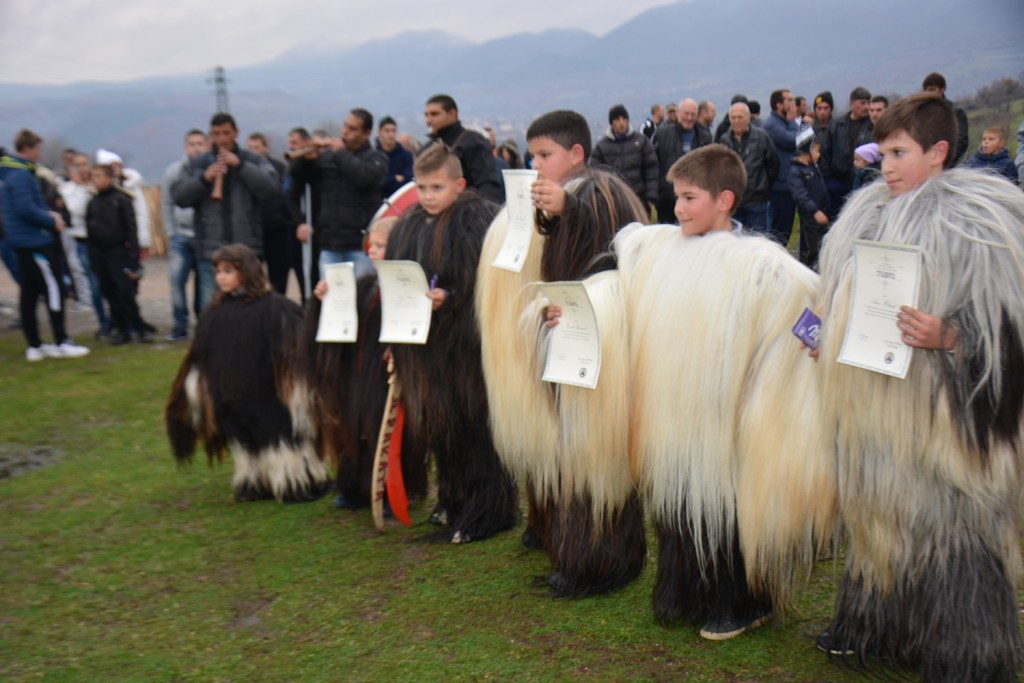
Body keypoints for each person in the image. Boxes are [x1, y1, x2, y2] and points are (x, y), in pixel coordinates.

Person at [549, 144, 832, 638]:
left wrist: (818, 342)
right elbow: (618, 294)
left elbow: (806, 305)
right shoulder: (657, 249)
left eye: (689, 197)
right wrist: (573, 313)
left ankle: (744, 601)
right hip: (669, 412)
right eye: (675, 197)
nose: (677, 208)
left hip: (720, 415)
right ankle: (684, 591)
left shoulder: (759, 263)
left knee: (722, 514)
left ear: (725, 199)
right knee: (677, 509)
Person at [813, 93, 1024, 681]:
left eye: (899, 152)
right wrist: (821, 335)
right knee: (879, 517)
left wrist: (950, 336)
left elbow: (1009, 323)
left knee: (954, 533)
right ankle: (873, 627)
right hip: (876, 410)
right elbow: (832, 300)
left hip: (944, 421)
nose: (886, 166)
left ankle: (968, 654)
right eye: (882, 153)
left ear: (938, 152)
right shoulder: (866, 215)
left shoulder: (981, 222)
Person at [477, 110, 648, 596]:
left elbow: (619, 247)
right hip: (569, 334)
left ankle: (604, 560)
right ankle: (580, 553)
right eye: (532, 156)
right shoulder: (572, 195)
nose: (537, 165)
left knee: (596, 451)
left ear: (575, 154)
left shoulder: (604, 193)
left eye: (545, 155)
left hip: (602, 343)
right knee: (571, 449)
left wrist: (569, 212)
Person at [384, 143, 514, 544]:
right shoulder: (407, 227)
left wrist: (452, 298)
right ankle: (452, 499)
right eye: (421, 187)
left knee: (475, 429)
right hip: (426, 351)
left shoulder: (481, 222)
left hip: (469, 348)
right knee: (442, 430)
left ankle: (488, 509)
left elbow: (493, 285)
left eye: (436, 187)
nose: (427, 196)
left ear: (459, 183)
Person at [165, 243, 330, 503]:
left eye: (228, 270)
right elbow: (201, 355)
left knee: (281, 439)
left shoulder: (275, 307)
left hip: (271, 393)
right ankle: (254, 481)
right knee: (246, 439)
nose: (221, 277)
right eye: (218, 271)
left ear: (248, 271)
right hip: (236, 396)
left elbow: (299, 344)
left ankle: (293, 481)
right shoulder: (213, 313)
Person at [299, 216, 428, 513]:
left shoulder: (410, 291)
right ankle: (354, 487)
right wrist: (324, 300)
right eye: (372, 245)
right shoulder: (363, 286)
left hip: (389, 378)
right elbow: (339, 325)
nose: (372, 252)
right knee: (353, 428)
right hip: (357, 375)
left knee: (388, 433)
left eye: (381, 246)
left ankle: (392, 492)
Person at [172, 113, 279, 309]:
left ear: (236, 133)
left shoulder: (252, 160)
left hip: (247, 250)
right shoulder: (197, 164)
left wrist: (241, 166)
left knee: (250, 307)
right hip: (210, 251)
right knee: (211, 308)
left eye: (226, 133)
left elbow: (270, 189)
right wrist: (204, 179)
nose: (221, 139)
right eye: (216, 134)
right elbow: (179, 197)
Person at [0, 130, 89, 361]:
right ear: (27, 149)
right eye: (37, 148)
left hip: (23, 242)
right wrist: (52, 220)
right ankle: (61, 341)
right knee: (54, 290)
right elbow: (25, 209)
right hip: (36, 242)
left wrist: (46, 212)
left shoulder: (12, 172)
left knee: (28, 294)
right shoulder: (20, 175)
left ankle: (35, 345)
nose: (40, 153)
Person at [289, 109, 387, 282]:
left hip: (360, 247)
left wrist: (340, 152)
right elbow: (299, 178)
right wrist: (306, 160)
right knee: (333, 302)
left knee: (362, 300)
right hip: (330, 245)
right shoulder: (328, 158)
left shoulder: (376, 157)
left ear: (366, 133)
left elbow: (364, 177)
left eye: (353, 128)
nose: (345, 132)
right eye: (345, 126)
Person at [85, 164, 152, 344]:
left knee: (125, 293)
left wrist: (133, 259)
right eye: (93, 177)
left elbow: (131, 230)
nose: (95, 180)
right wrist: (93, 259)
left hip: (118, 253)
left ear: (109, 178)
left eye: (99, 176)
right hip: (100, 254)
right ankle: (122, 330)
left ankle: (139, 327)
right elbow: (90, 233)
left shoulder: (121, 199)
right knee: (109, 292)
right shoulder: (93, 202)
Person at [163, 129, 208, 341]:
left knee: (204, 284)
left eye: (200, 143)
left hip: (203, 237)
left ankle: (203, 326)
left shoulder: (211, 171)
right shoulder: (174, 171)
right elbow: (167, 202)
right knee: (176, 282)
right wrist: (171, 232)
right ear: (185, 147)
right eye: (192, 143)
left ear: (207, 145)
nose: (196, 147)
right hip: (180, 237)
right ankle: (180, 325)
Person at [59, 152, 111, 335]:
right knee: (95, 283)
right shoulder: (68, 189)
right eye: (78, 165)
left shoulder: (98, 185)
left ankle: (118, 320)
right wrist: (84, 189)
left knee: (110, 282)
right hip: (83, 240)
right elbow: (77, 211)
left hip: (104, 239)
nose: (83, 168)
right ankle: (104, 323)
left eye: (85, 164)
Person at [422, 94, 503, 203]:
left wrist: (480, 215)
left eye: (434, 114)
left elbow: (487, 185)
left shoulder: (474, 143)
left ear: (452, 113)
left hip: (469, 211)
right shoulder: (426, 149)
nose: (429, 120)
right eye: (426, 115)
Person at [718, 102, 778, 233]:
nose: (736, 121)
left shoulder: (762, 137)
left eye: (740, 117)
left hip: (757, 202)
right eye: (733, 118)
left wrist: (763, 187)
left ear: (748, 118)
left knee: (758, 241)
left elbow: (773, 165)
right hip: (734, 204)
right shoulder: (724, 140)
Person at [590, 103, 659, 211]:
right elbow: (594, 173)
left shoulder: (641, 141)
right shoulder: (602, 147)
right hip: (613, 201)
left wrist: (651, 196)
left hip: (639, 199)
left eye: (624, 118)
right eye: (617, 119)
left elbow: (651, 169)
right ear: (611, 122)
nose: (621, 122)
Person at [654, 98, 711, 224]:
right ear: (678, 113)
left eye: (693, 114)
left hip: (695, 199)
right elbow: (654, 165)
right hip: (667, 199)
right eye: (686, 114)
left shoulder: (705, 137)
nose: (689, 118)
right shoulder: (662, 134)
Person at [763, 88, 800, 247]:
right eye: (789, 100)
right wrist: (793, 122)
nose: (793, 103)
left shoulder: (783, 123)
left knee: (786, 229)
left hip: (789, 183)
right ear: (779, 105)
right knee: (778, 232)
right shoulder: (773, 125)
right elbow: (793, 141)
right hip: (779, 185)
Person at [788, 127, 829, 267]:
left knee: (822, 246)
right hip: (811, 218)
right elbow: (800, 195)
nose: (819, 154)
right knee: (813, 248)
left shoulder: (813, 166)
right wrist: (815, 211)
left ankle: (819, 268)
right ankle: (810, 270)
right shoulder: (796, 171)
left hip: (822, 213)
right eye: (817, 151)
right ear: (807, 150)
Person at [922, 72, 970, 164]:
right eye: (926, 90)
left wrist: (947, 161)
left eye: (932, 89)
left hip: (949, 164)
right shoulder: (921, 112)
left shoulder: (955, 112)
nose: (928, 93)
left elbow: (961, 141)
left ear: (943, 89)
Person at [376, 116, 414, 197]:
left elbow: (408, 182)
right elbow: (374, 182)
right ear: (379, 132)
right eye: (387, 131)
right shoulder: (374, 155)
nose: (391, 134)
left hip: (399, 200)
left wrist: (386, 180)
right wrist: (394, 178)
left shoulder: (406, 155)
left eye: (393, 131)